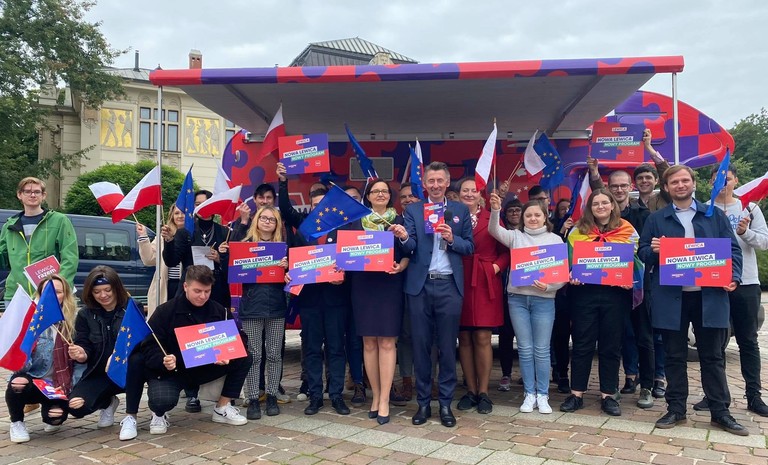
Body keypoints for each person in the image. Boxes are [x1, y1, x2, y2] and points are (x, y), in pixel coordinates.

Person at [638, 165, 748, 435]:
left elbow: (732, 250)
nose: (680, 185)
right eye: (674, 182)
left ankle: (720, 411)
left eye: (685, 180)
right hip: (671, 297)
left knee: (712, 357)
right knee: (674, 356)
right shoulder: (656, 219)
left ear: (693, 183)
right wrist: (654, 251)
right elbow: (642, 253)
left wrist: (733, 277)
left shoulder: (714, 215)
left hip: (709, 295)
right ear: (666, 187)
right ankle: (676, 409)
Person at [121, 265, 251, 440]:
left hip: (205, 368)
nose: (203, 296)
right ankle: (158, 414)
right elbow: (149, 346)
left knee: (245, 357)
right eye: (197, 291)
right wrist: (163, 360)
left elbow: (240, 338)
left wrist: (227, 352)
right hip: (173, 372)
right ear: (185, 286)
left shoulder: (219, 310)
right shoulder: (165, 311)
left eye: (207, 291)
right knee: (161, 401)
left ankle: (222, 407)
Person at [389, 161, 474, 428]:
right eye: (431, 181)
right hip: (420, 286)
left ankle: (445, 404)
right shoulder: (414, 210)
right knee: (421, 346)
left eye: (440, 181)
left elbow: (469, 247)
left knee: (447, 347)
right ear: (424, 185)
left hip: (449, 285)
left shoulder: (460, 210)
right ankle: (423, 402)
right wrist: (404, 237)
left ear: (447, 183)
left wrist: (452, 239)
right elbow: (411, 246)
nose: (435, 185)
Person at [277, 163, 352, 416]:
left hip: (336, 299)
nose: (319, 209)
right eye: (315, 205)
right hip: (309, 300)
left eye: (323, 204)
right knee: (311, 349)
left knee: (336, 348)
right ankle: (315, 396)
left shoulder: (343, 230)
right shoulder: (304, 228)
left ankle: (337, 395)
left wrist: (344, 276)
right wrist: (283, 182)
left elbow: (352, 261)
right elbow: (285, 209)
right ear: (310, 208)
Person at [560, 189, 638, 417]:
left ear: (613, 205)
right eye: (596, 203)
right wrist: (571, 273)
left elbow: (636, 261)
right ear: (590, 208)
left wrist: (630, 278)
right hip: (584, 294)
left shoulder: (627, 229)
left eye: (605, 202)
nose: (601, 207)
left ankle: (608, 395)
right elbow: (567, 260)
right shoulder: (578, 230)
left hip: (615, 295)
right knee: (582, 344)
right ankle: (576, 394)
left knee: (611, 345)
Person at [698, 165, 768, 417]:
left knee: (748, 341)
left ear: (736, 181)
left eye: (726, 179)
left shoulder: (749, 208)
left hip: (746, 283)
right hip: (713, 283)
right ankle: (714, 395)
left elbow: (764, 242)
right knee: (713, 343)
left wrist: (745, 232)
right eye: (717, 179)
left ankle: (754, 395)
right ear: (710, 183)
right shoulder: (703, 210)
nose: (722, 183)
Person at [587, 162, 656, 409]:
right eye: (614, 186)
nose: (618, 190)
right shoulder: (599, 218)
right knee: (613, 337)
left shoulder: (644, 215)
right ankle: (612, 387)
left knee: (643, 336)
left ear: (630, 187)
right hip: (610, 289)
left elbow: (646, 250)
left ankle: (647, 386)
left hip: (637, 285)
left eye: (623, 186)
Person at [488, 195, 565, 414]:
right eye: (528, 215)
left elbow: (561, 274)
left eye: (537, 215)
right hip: (518, 299)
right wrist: (495, 210)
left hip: (544, 300)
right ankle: (529, 393)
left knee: (541, 349)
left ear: (545, 216)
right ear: (523, 218)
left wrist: (549, 286)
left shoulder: (555, 240)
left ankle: (543, 394)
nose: (532, 218)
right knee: (524, 348)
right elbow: (494, 230)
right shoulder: (516, 237)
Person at [349, 179, 409, 425]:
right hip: (363, 285)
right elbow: (345, 254)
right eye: (376, 191)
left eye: (385, 191)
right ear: (368, 196)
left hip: (389, 284)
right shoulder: (355, 222)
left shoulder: (400, 221)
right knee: (369, 343)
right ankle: (375, 395)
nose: (381, 194)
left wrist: (401, 265)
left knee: (386, 342)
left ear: (390, 196)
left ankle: (384, 399)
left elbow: (409, 253)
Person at [455, 178, 508, 414]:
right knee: (464, 337)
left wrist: (495, 268)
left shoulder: (492, 216)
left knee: (483, 336)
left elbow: (505, 250)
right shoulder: (451, 216)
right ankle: (470, 390)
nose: (469, 194)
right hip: (459, 279)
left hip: (485, 280)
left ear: (480, 194)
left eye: (474, 190)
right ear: (458, 194)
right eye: (465, 190)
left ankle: (484, 392)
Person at [6, 275, 80, 443]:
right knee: (17, 383)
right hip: (34, 381)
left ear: (66, 295)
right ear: (40, 295)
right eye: (47, 292)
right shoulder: (32, 322)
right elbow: (20, 367)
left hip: (58, 384)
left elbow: (81, 363)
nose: (52, 296)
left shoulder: (74, 321)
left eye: (58, 292)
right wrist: (26, 354)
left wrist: (72, 384)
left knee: (55, 419)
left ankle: (50, 411)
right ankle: (17, 422)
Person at [238, 206, 288, 420]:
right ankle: (252, 398)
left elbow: (293, 278)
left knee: (275, 353)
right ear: (256, 221)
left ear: (277, 225)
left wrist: (287, 268)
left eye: (272, 219)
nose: (267, 222)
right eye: (263, 218)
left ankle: (272, 395)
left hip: (276, 306)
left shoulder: (283, 248)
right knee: (254, 354)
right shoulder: (245, 245)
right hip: (252, 307)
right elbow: (235, 272)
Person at [67, 267, 129, 430]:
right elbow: (83, 343)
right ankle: (107, 402)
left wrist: (119, 355)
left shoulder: (131, 307)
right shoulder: (85, 314)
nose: (103, 295)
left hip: (127, 370)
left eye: (108, 290)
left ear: (116, 288)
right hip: (99, 372)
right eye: (97, 292)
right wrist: (82, 354)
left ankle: (133, 415)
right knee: (76, 407)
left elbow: (139, 340)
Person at [0, 177, 78, 306]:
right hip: (16, 295)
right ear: (19, 195)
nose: (32, 195)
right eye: (27, 191)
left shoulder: (59, 221)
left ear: (44, 195)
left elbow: (70, 258)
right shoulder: (9, 225)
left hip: (49, 294)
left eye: (37, 192)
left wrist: (58, 287)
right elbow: (3, 259)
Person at [137, 205, 185, 317]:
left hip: (185, 285)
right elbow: (149, 259)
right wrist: (143, 237)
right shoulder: (163, 236)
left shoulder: (193, 235)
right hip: (166, 286)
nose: (180, 216)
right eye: (176, 213)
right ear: (172, 216)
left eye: (183, 213)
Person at [497, 197, 522, 391]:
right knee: (505, 336)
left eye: (517, 210)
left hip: (527, 291)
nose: (514, 213)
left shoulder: (530, 232)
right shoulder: (502, 234)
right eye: (510, 210)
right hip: (505, 291)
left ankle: (527, 374)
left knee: (525, 338)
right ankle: (506, 374)